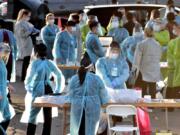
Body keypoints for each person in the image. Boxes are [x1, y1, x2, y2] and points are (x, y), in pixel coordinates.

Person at [20, 44, 65, 135]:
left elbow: (28, 79)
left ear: (36, 53)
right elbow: (59, 75)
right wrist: (57, 90)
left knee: (33, 115)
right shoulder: (50, 63)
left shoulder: (34, 64)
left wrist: (29, 88)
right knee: (47, 116)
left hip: (38, 89)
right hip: (48, 89)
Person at [68, 52, 109, 135]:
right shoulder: (97, 79)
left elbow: (70, 96)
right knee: (91, 131)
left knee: (78, 130)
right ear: (91, 66)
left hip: (77, 108)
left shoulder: (74, 79)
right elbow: (104, 97)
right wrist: (103, 101)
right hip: (93, 108)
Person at [133, 28, 162, 98]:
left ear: (145, 33)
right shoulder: (158, 44)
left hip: (144, 69)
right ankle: (152, 105)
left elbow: (136, 59)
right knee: (153, 88)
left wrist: (134, 69)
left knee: (143, 89)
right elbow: (159, 56)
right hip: (154, 69)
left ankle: (143, 106)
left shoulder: (141, 44)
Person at [15, 9, 39, 81]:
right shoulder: (19, 24)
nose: (29, 17)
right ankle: (24, 77)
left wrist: (36, 31)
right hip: (24, 44)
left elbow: (34, 30)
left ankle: (26, 76)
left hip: (29, 43)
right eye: (28, 16)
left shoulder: (28, 23)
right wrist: (30, 31)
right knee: (26, 61)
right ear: (23, 15)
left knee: (28, 61)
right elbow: (21, 35)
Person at [0, 43, 15, 134]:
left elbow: (2, 77)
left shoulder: (1, 62)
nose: (6, 55)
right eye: (5, 52)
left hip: (3, 93)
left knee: (7, 116)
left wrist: (8, 84)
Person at [166, 23, 180, 99]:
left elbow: (173, 54)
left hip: (174, 67)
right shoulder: (173, 41)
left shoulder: (174, 41)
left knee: (172, 86)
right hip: (174, 67)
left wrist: (171, 64)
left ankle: (169, 106)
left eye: (175, 29)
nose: (173, 30)